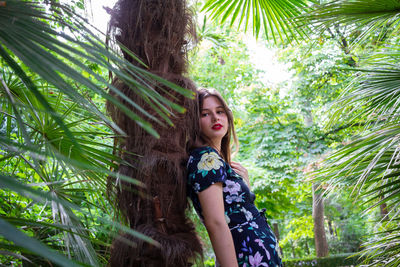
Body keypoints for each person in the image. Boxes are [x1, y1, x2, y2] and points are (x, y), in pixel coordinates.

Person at [187, 88, 282, 267]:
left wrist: (245, 185)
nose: (215, 118)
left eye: (220, 111)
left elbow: (235, 213)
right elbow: (216, 223)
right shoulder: (205, 158)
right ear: (194, 121)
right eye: (205, 114)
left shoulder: (217, 161)